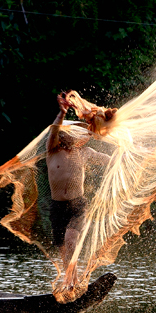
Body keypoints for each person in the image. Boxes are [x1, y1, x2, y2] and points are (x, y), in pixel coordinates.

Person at [46, 93, 111, 287]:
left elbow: (107, 160)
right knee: (63, 249)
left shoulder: (84, 152)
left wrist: (127, 158)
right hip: (57, 206)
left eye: (71, 134)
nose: (68, 136)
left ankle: (70, 282)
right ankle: (72, 280)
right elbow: (54, 130)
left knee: (71, 240)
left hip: (77, 204)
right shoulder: (52, 151)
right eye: (65, 134)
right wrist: (62, 113)